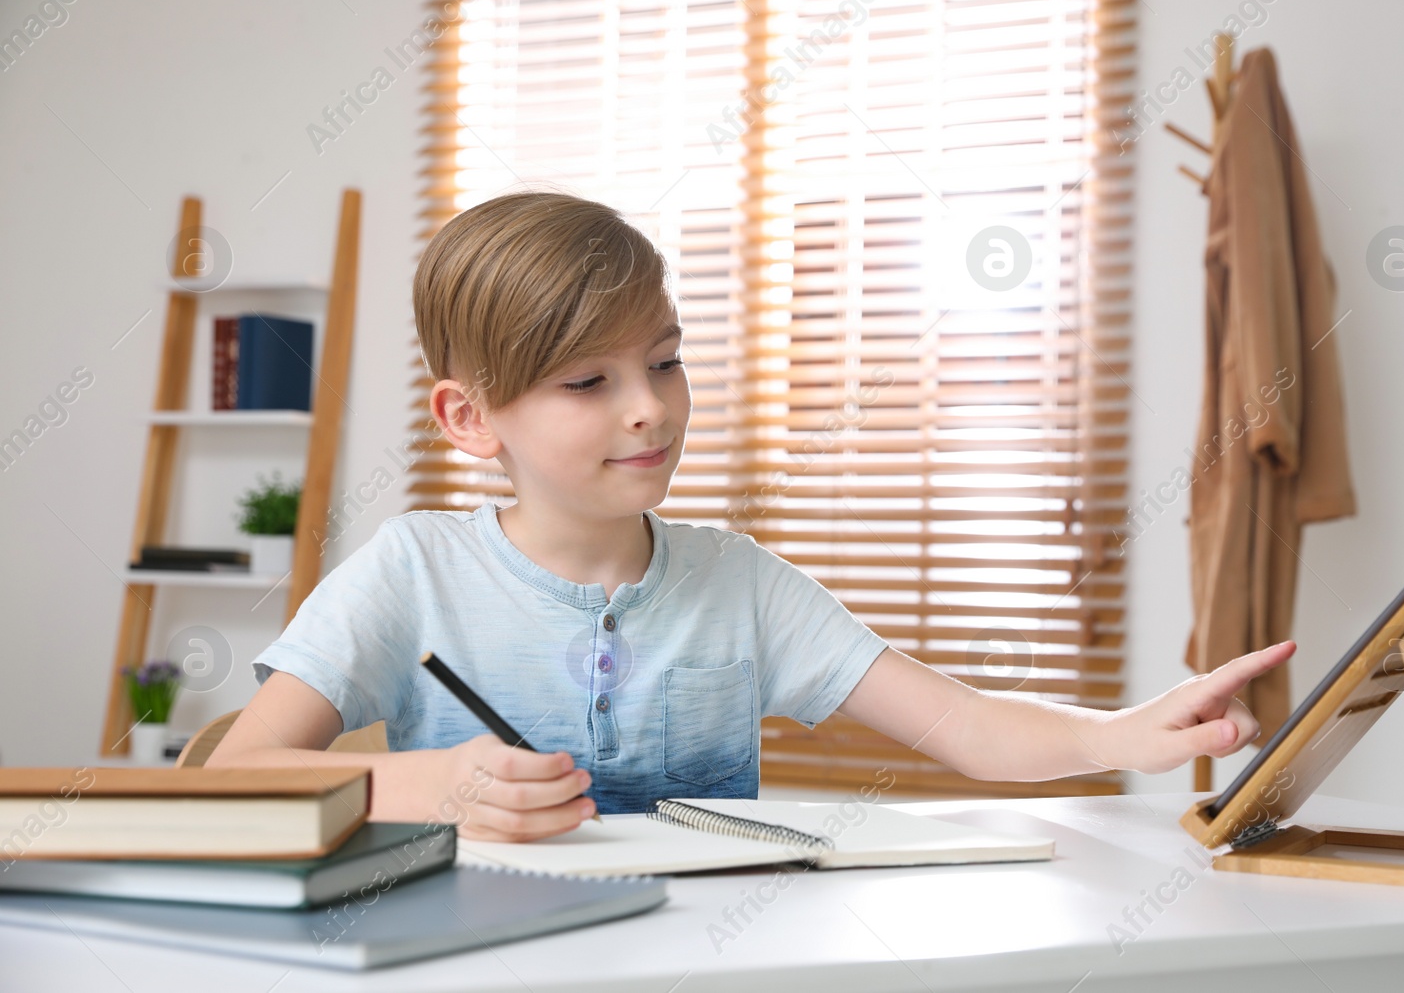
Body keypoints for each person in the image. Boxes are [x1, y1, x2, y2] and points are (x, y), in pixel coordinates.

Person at [209, 191, 1293, 841]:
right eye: (587, 382)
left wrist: (1117, 733)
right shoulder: (412, 571)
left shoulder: (741, 582)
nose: (650, 406)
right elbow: (233, 781)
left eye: (667, 361)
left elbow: (960, 725)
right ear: (469, 415)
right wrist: (433, 783)